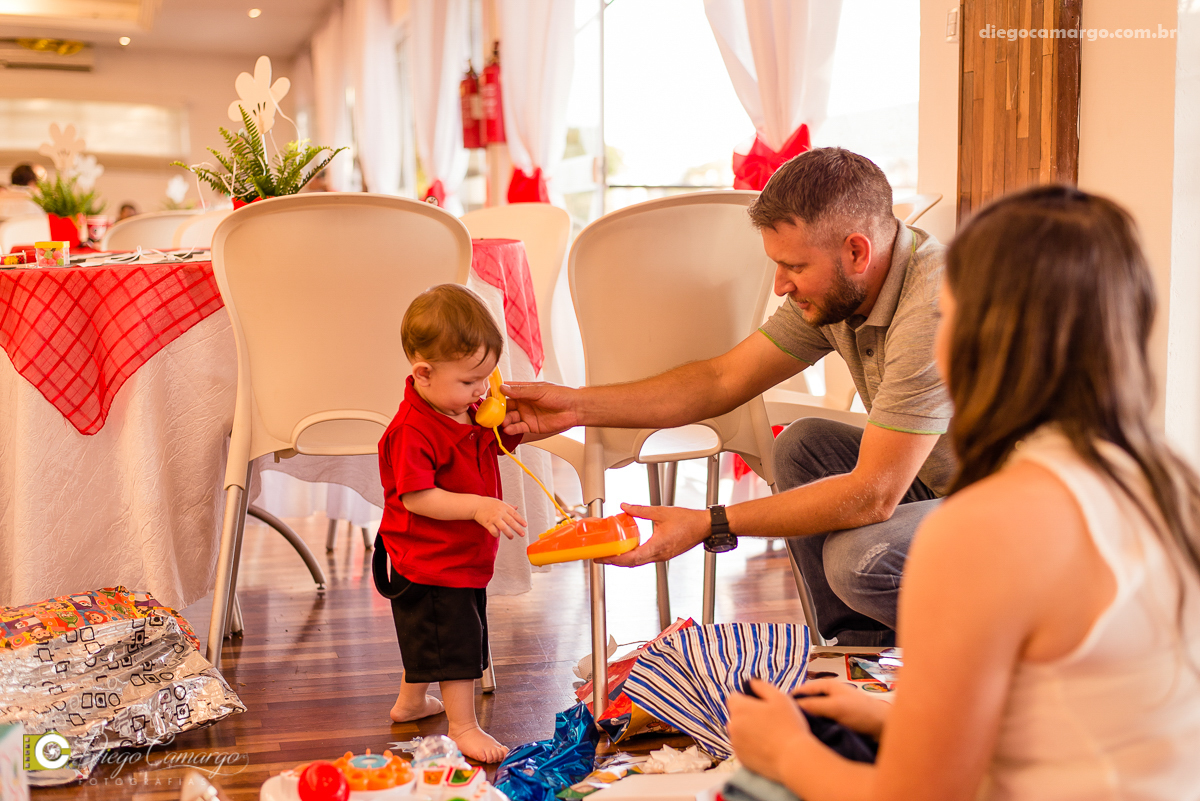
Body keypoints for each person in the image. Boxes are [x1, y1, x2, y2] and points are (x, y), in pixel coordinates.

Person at [725, 185, 1200, 800]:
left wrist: (784, 751)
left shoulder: (987, 528)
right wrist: (887, 716)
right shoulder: (1167, 484)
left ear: (978, 335)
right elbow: (1078, 705)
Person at [502, 148, 952, 646]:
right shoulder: (844, 291)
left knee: (857, 562)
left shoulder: (931, 308)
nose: (781, 285)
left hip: (1021, 515)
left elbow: (873, 494)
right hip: (940, 481)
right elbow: (721, 380)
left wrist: (709, 522)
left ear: (856, 252)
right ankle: (858, 655)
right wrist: (574, 406)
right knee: (802, 444)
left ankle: (991, 662)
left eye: (794, 266)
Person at [376, 284, 528, 763]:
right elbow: (418, 496)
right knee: (458, 646)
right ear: (422, 373)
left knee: (432, 637)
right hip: (430, 561)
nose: (481, 391)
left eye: (487, 378)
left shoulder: (460, 411)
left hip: (456, 559)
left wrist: (504, 430)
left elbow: (475, 454)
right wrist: (479, 507)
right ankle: (463, 727)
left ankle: (411, 701)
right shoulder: (412, 430)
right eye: (469, 381)